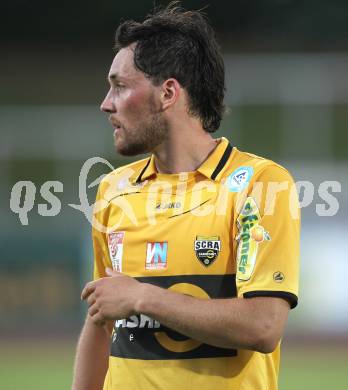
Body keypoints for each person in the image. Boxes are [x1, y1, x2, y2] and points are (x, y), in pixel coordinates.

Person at [72, 3, 300, 389]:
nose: (106, 103)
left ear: (168, 93)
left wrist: (144, 298)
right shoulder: (114, 190)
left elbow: (263, 325)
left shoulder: (260, 185)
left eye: (120, 85)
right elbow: (103, 317)